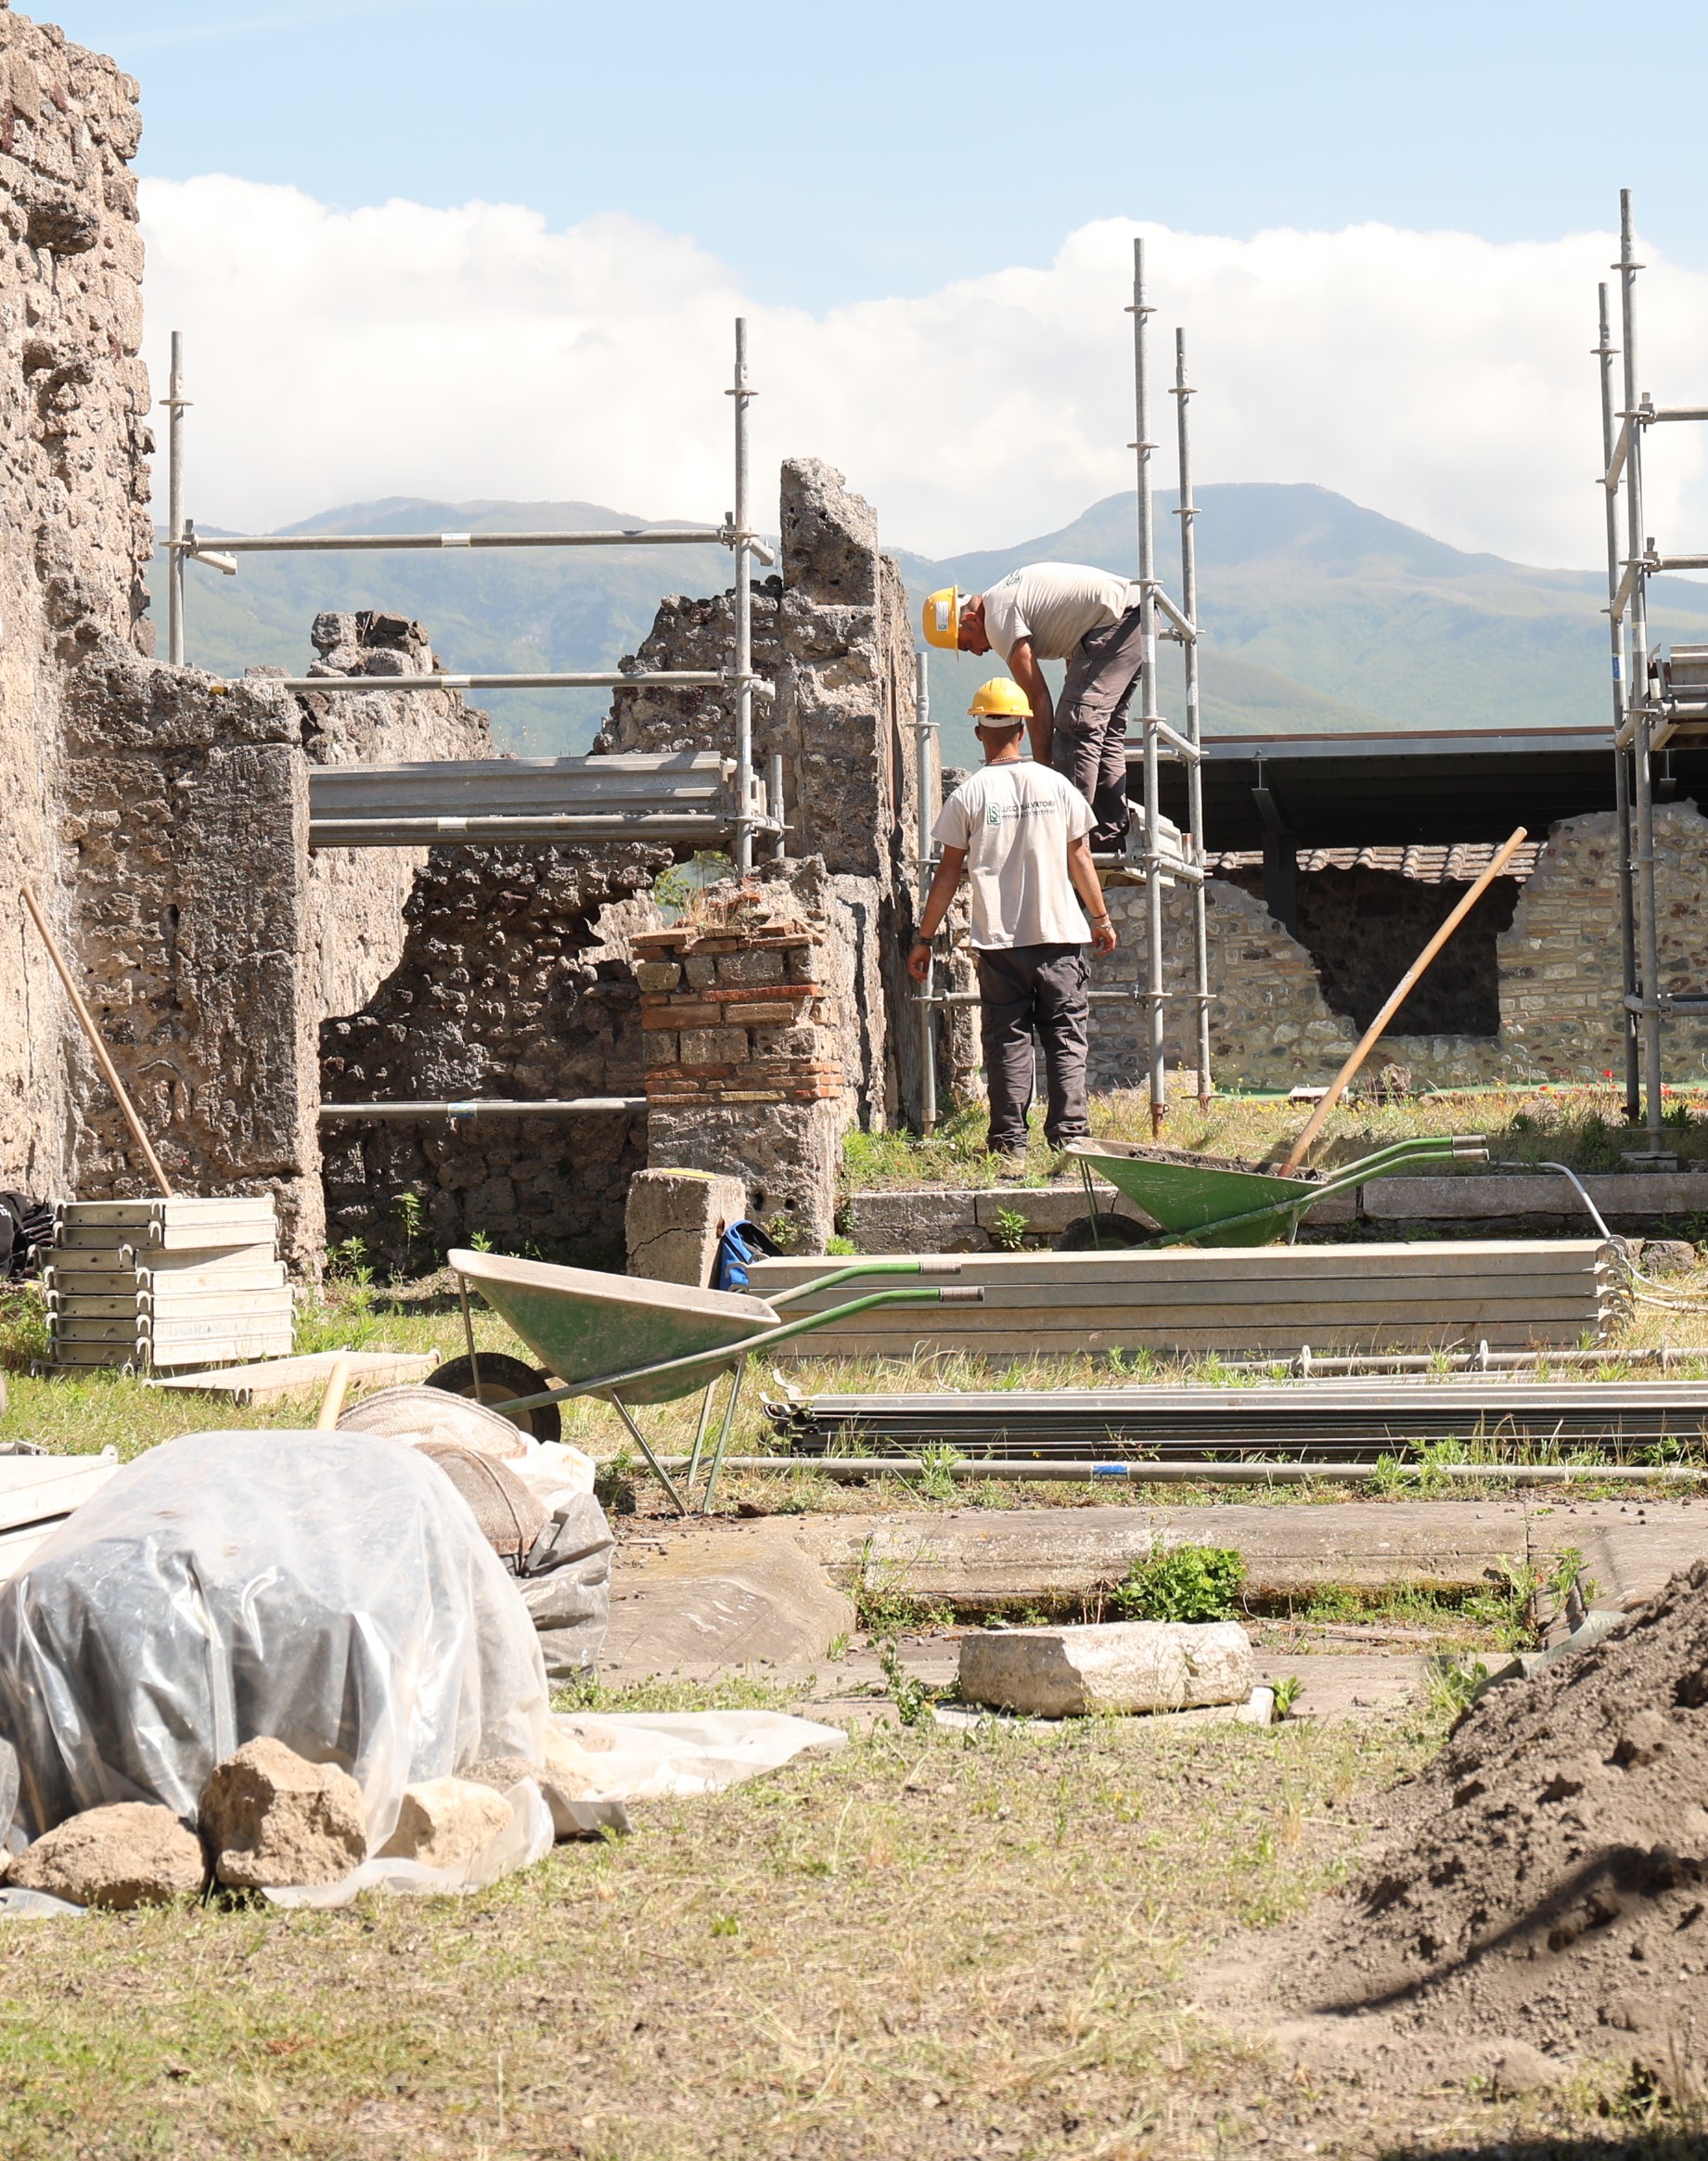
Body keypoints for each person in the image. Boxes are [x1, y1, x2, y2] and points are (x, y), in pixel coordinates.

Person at [907, 677, 1118, 1168]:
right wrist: (1101, 918)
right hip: (1061, 938)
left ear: (980, 730)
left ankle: (1009, 1147)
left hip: (1001, 945)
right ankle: (1070, 1139)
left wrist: (924, 939)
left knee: (1008, 1040)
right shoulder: (1056, 785)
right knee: (1066, 1037)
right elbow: (1080, 857)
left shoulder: (969, 795)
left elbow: (946, 875)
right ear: (1022, 727)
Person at [921, 563, 1142, 852]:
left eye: (966, 645)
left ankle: (1065, 837)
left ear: (973, 620)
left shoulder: (998, 619)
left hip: (1118, 619)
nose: (977, 652)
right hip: (1134, 617)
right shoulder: (1004, 598)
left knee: (1076, 723)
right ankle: (1107, 836)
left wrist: (1042, 773)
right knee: (1103, 732)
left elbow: (1036, 698)